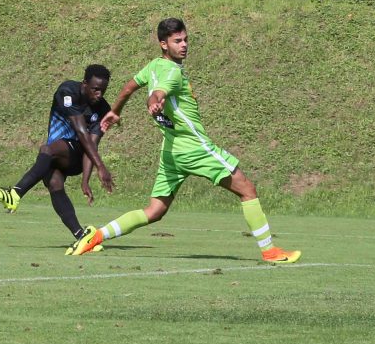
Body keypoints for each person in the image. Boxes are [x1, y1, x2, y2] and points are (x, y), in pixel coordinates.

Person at [68, 17, 300, 264]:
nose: (184, 45)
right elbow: (160, 91)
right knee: (247, 190)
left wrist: (115, 110)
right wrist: (155, 101)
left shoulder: (154, 66)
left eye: (186, 39)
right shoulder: (172, 72)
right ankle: (270, 251)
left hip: (171, 151)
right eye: (177, 41)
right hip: (194, 147)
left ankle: (97, 236)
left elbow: (129, 87)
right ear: (163, 44)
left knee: (154, 211)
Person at [0, 65, 115, 249]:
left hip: (74, 156)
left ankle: (15, 194)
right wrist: (98, 169)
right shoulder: (68, 92)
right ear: (84, 84)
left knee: (46, 149)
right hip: (59, 154)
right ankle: (81, 236)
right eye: (95, 89)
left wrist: (88, 177)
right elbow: (79, 129)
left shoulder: (103, 109)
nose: (99, 94)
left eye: (103, 90)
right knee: (54, 184)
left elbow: (91, 144)